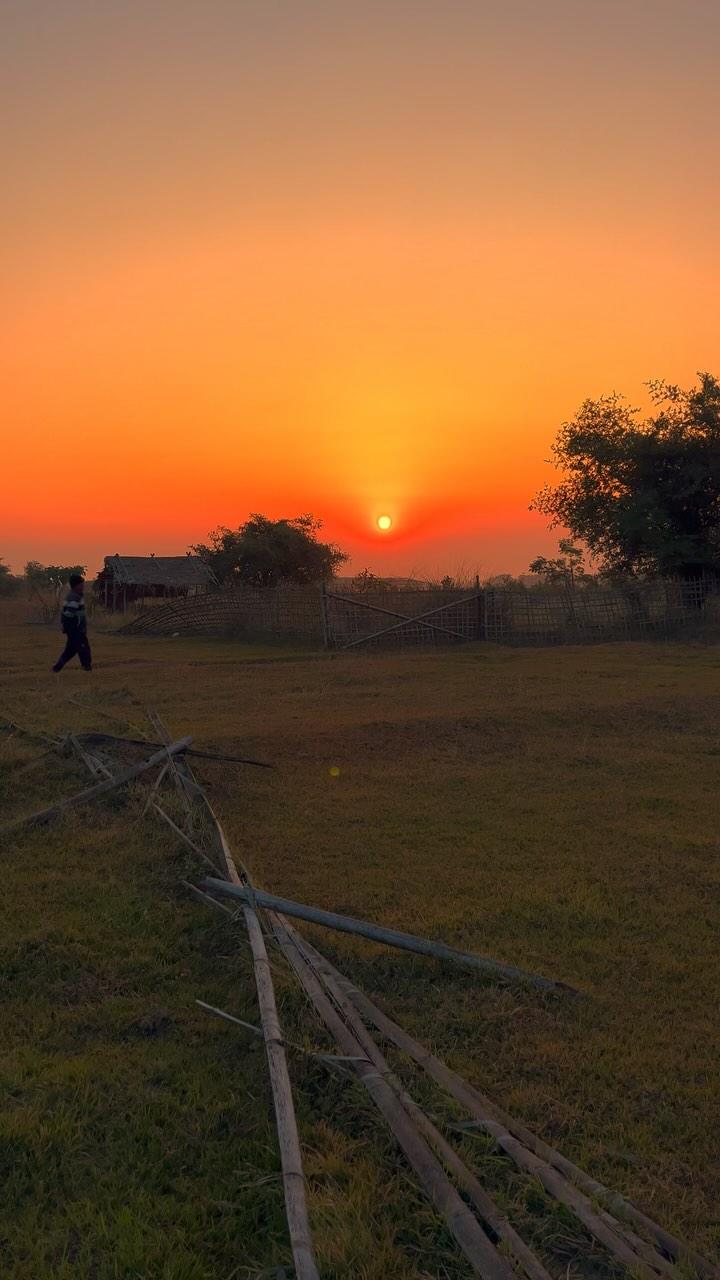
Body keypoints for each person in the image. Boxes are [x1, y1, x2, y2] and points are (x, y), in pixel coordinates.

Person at [53, 573, 92, 672]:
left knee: (71, 650)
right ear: (76, 585)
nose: (83, 586)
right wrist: (73, 625)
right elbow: (69, 614)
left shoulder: (75, 596)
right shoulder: (74, 597)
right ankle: (87, 667)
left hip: (75, 628)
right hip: (76, 629)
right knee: (83, 648)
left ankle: (57, 667)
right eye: (81, 585)